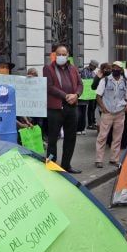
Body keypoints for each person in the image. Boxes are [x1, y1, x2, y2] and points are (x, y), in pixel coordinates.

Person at [43, 45, 83, 174]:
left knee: (71, 138)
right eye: (58, 54)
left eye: (63, 54)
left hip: (71, 107)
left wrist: (76, 95)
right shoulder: (48, 68)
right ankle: (51, 166)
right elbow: (49, 87)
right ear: (55, 55)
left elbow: (80, 84)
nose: (61, 56)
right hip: (56, 108)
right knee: (53, 139)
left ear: (67, 55)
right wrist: (65, 96)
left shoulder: (73, 68)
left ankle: (66, 165)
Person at [95, 61, 127, 168]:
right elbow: (98, 96)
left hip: (120, 112)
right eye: (114, 68)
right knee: (102, 136)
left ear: (121, 70)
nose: (116, 70)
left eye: (118, 68)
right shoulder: (105, 80)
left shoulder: (124, 82)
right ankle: (99, 160)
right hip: (107, 112)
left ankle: (114, 159)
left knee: (117, 137)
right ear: (112, 69)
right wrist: (103, 108)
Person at [80, 59, 99, 130]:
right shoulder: (84, 71)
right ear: (91, 65)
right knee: (90, 108)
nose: (95, 68)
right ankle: (90, 124)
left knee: (93, 108)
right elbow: (86, 80)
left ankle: (93, 122)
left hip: (92, 93)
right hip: (88, 93)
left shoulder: (93, 72)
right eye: (94, 67)